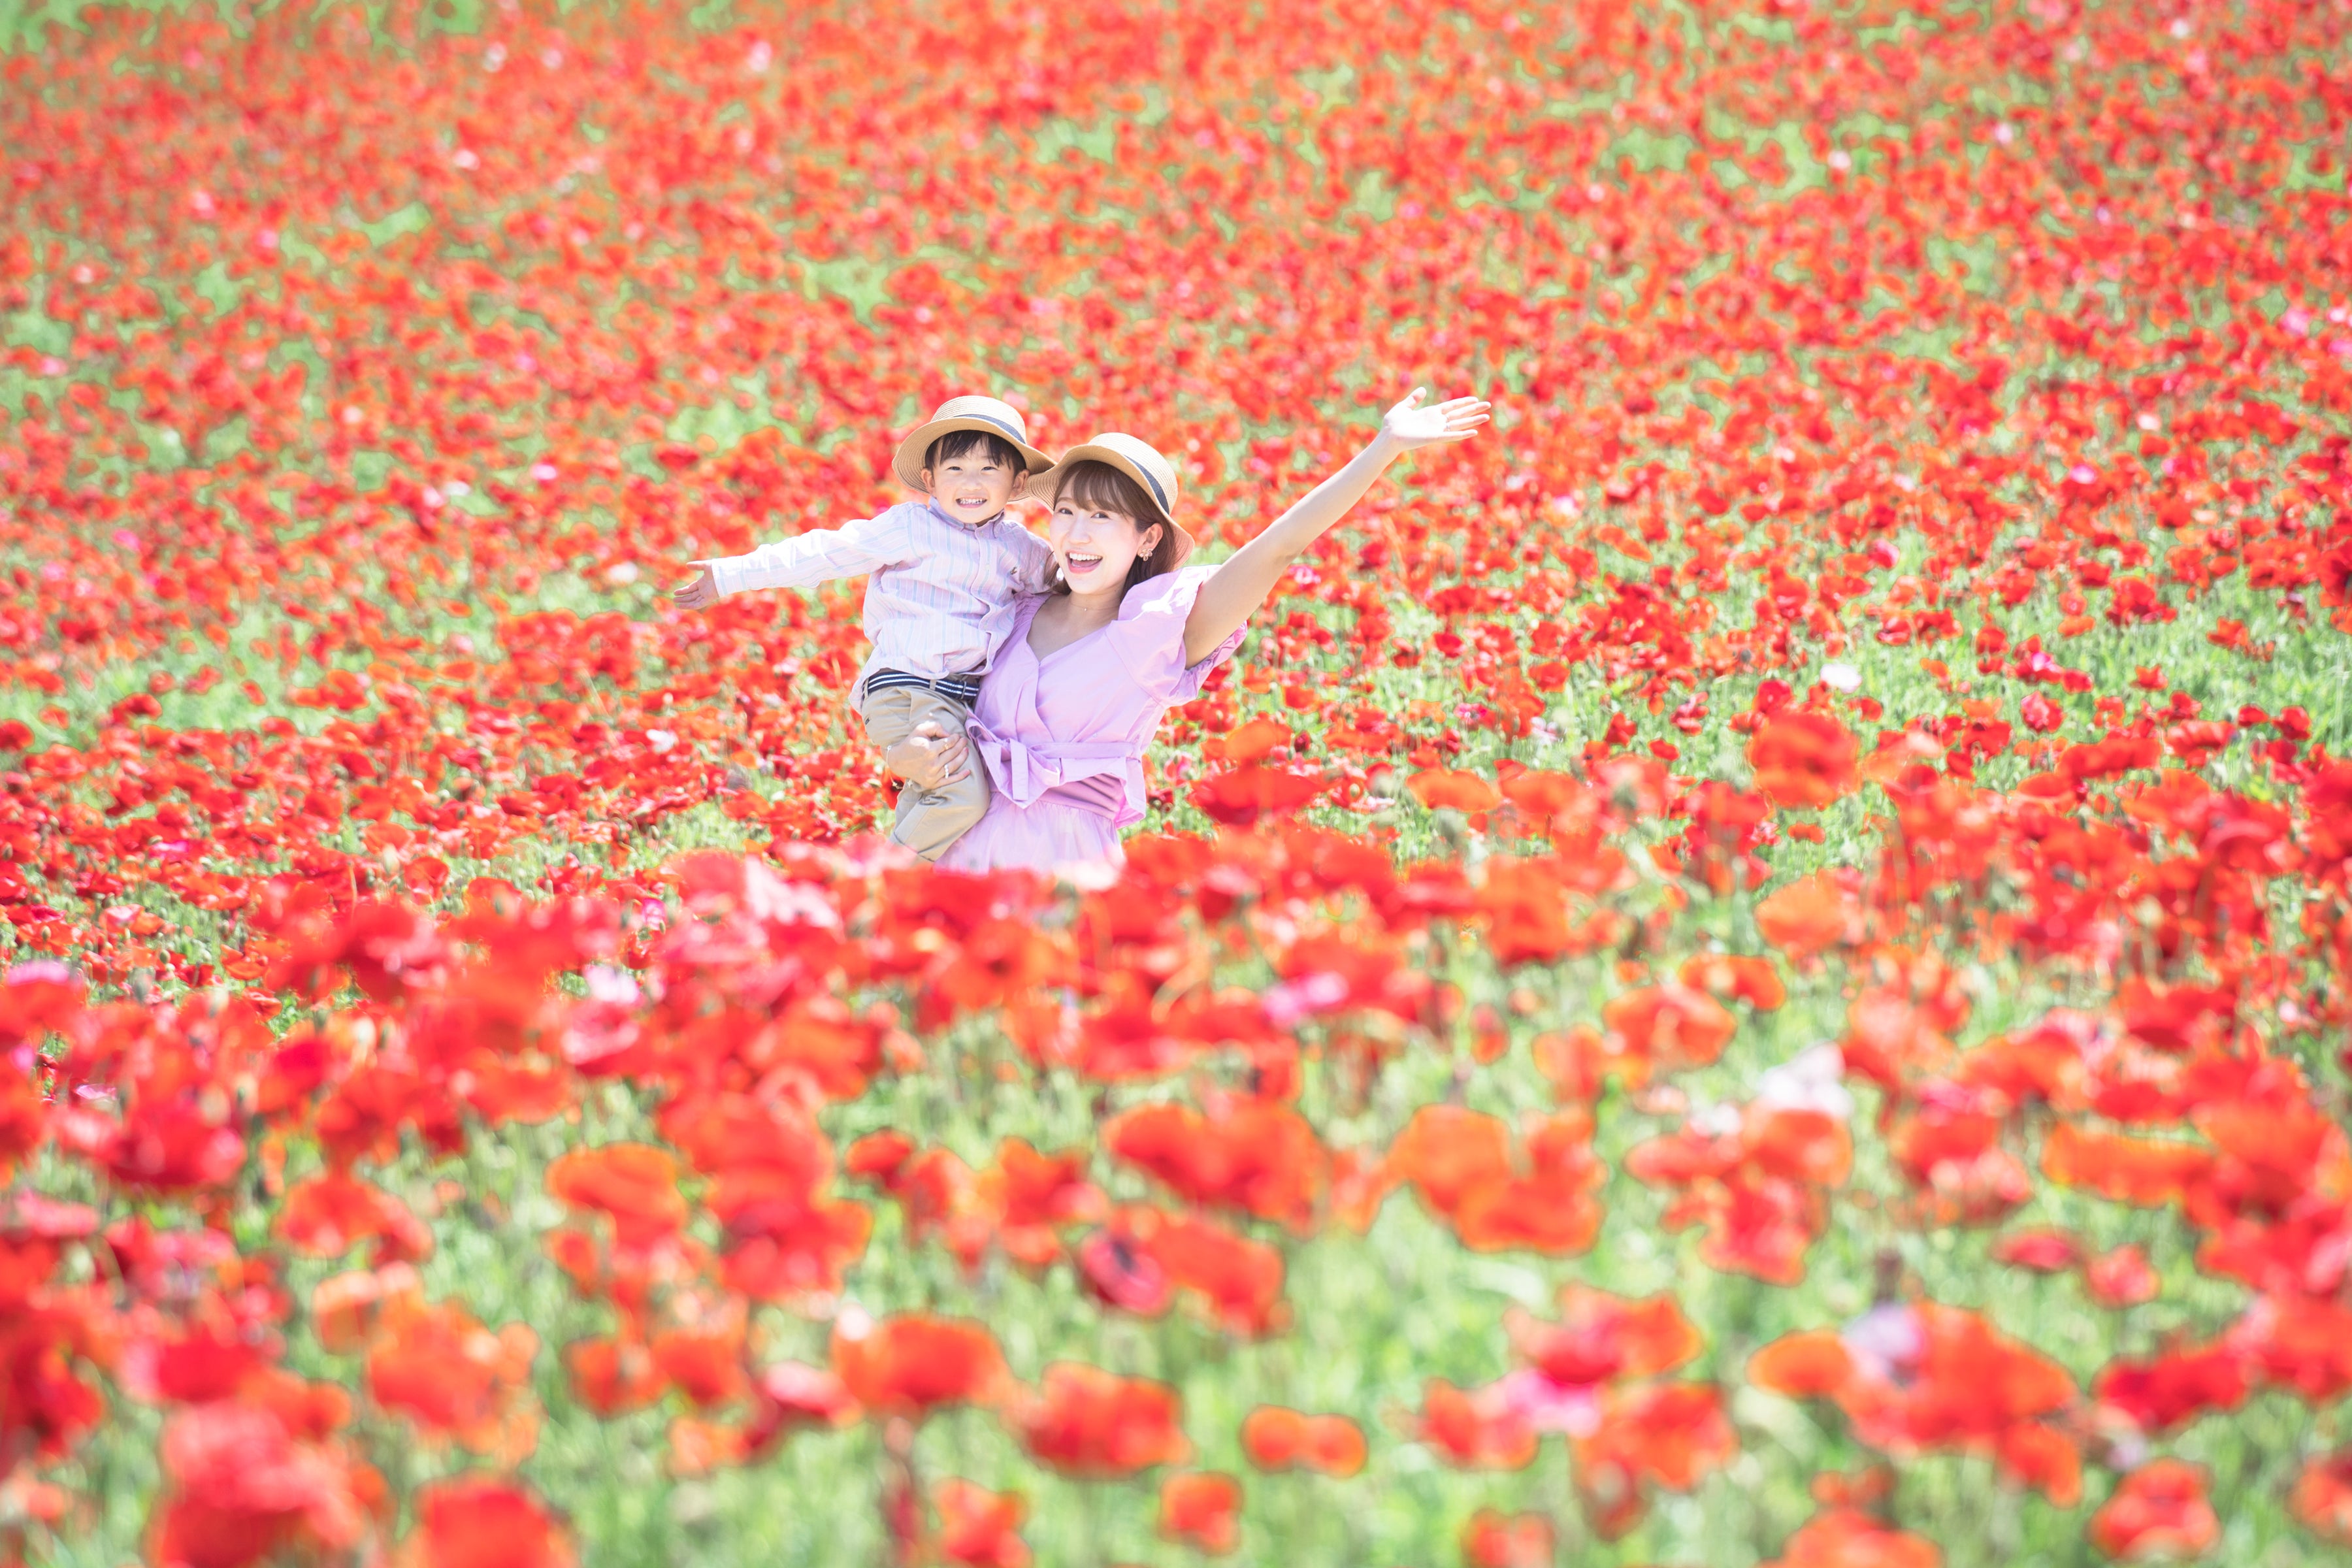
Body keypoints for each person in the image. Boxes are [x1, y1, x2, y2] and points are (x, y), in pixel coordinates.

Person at [883, 388, 1489, 874]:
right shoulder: (1011, 611)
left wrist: (1383, 448)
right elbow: (923, 702)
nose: (1077, 533)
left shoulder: (1153, 633)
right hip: (950, 856)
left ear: (1147, 538)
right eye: (1066, 511)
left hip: (1062, 867)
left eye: (1102, 516)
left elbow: (1278, 549)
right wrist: (904, 756)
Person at [672, 395, 1054, 860]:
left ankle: (911, 888)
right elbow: (826, 552)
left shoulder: (1020, 548)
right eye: (955, 468)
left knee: (932, 797)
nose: (970, 483)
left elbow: (1071, 582)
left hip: (963, 699)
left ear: (1017, 483)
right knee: (962, 796)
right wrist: (732, 574)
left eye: (989, 470)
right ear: (930, 480)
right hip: (908, 687)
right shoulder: (910, 527)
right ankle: (882, 881)